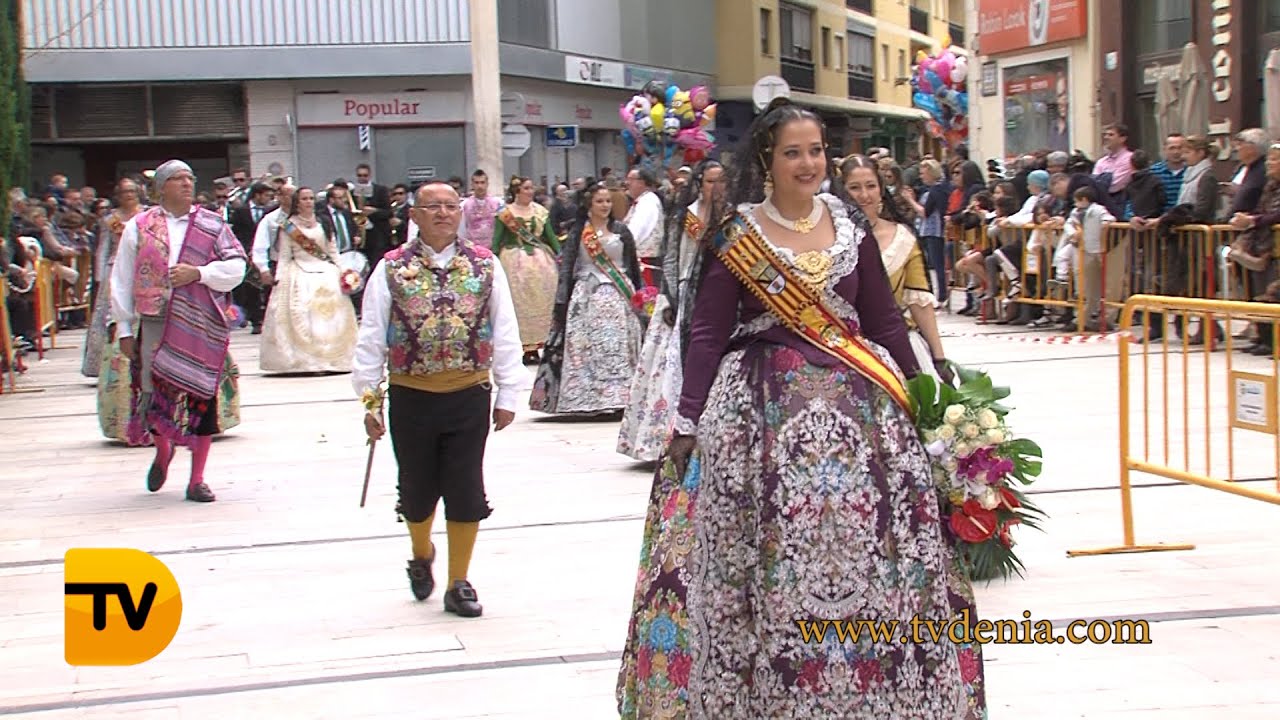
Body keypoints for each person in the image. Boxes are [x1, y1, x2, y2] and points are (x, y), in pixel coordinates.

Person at [616, 98, 986, 718]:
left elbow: (884, 321)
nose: (809, 162)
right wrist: (686, 416)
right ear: (768, 158)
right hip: (760, 415)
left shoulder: (849, 225)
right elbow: (708, 331)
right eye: (793, 151)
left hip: (864, 409)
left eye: (816, 150)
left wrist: (926, 397)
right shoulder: (739, 234)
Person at [351, 182, 529, 617]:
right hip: (411, 395)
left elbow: (504, 328)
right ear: (414, 215)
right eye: (433, 207)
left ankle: (458, 582)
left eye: (451, 206)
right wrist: (370, 400)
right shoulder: (391, 268)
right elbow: (372, 334)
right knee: (416, 490)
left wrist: (509, 391)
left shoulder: (485, 265)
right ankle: (420, 551)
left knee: (465, 487)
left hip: (469, 393)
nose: (444, 214)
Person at [109, 159, 247, 503]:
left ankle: (196, 479)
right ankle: (162, 451)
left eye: (190, 178)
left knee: (203, 397)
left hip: (201, 322)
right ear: (161, 188)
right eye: (178, 179)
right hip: (156, 320)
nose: (186, 184)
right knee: (154, 395)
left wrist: (199, 274)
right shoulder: (139, 226)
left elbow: (237, 266)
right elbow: (122, 278)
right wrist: (124, 327)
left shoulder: (213, 224)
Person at [616, 159, 724, 462]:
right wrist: (672, 298)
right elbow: (673, 259)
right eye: (711, 181)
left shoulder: (733, 218)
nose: (717, 187)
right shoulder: (685, 217)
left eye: (722, 181)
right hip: (684, 291)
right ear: (700, 184)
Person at [529, 183, 645, 416]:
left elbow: (632, 265)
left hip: (620, 295)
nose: (605, 206)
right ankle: (587, 395)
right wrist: (561, 301)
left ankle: (623, 397)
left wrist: (641, 298)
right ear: (589, 205)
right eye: (599, 202)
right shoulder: (578, 231)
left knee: (622, 346)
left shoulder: (621, 230)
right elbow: (568, 266)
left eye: (608, 201)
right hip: (587, 296)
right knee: (585, 347)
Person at [841, 154, 952, 384]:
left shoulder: (902, 238)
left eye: (870, 186)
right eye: (854, 187)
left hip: (898, 347)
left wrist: (939, 358)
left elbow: (918, 301)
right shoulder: (828, 240)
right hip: (845, 350)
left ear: (881, 189)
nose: (864, 195)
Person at [258, 187, 359, 373]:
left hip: (325, 271)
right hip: (299, 272)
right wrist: (279, 278)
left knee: (332, 315)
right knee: (302, 312)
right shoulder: (288, 225)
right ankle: (306, 361)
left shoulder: (324, 222)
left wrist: (343, 271)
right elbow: (285, 256)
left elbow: (333, 251)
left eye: (311, 198)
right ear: (297, 202)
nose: (309, 202)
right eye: (304, 198)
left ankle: (334, 359)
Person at [491, 176, 561, 364]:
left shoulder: (540, 212)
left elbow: (550, 236)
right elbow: (496, 241)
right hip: (514, 262)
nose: (530, 191)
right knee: (518, 303)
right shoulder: (504, 214)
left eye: (531, 188)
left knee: (543, 300)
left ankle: (544, 341)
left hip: (540, 262)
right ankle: (523, 347)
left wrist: (560, 256)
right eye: (527, 188)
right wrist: (492, 262)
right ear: (517, 191)